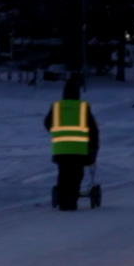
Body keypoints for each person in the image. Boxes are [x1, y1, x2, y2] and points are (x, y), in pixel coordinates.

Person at [44, 76, 99, 211]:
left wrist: (57, 132)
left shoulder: (57, 107)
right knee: (76, 175)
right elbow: (93, 129)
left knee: (63, 174)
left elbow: (47, 123)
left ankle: (63, 201)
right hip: (78, 149)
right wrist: (94, 145)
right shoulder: (83, 108)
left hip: (61, 148)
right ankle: (72, 200)